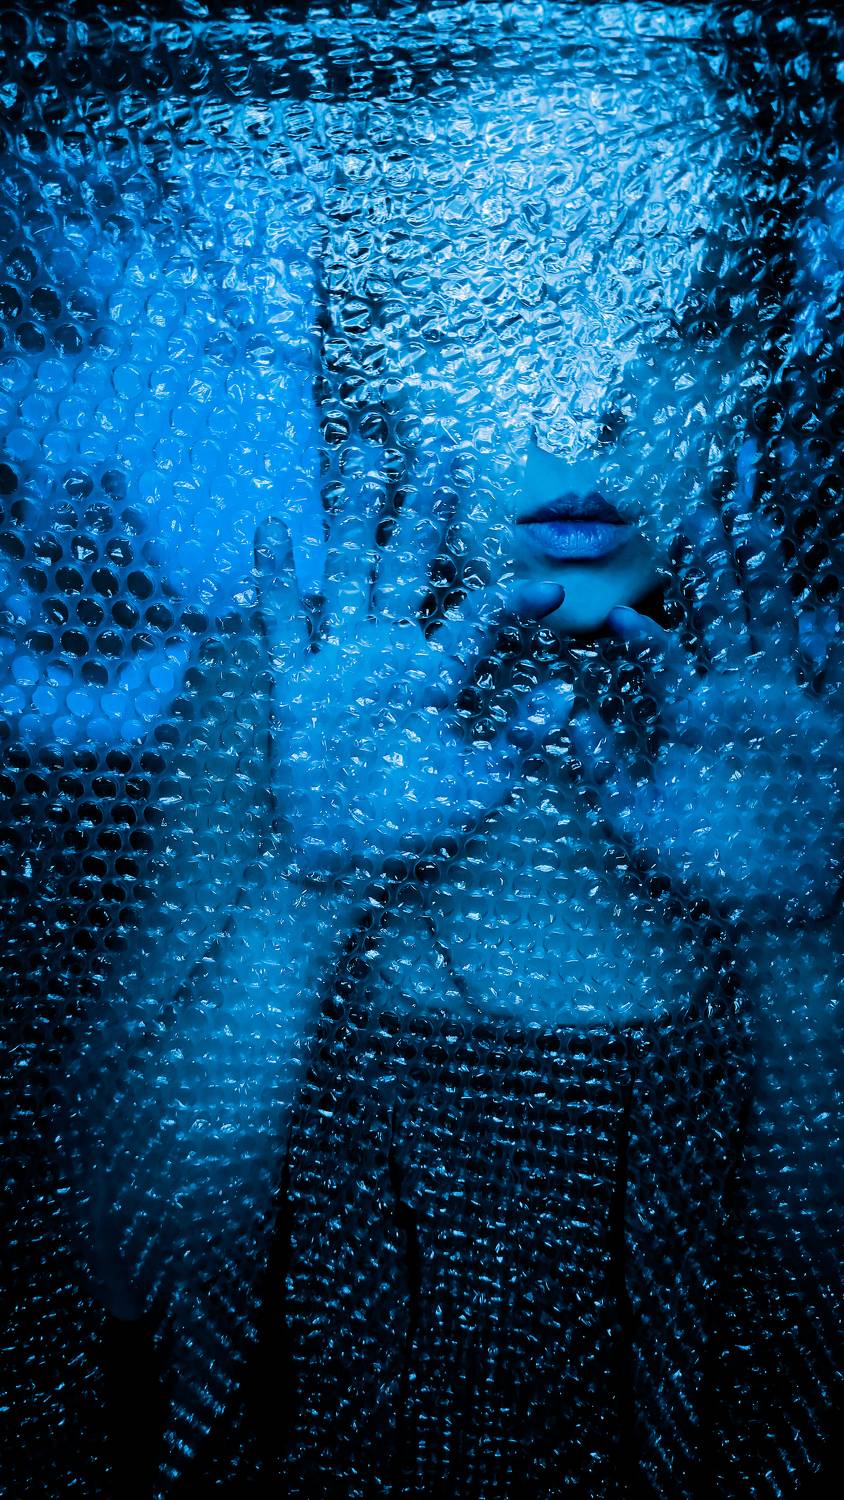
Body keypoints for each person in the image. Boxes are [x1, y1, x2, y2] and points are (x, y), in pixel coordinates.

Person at [2, 2, 841, 1495]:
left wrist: (795, 937)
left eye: (669, 310)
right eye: (511, 301)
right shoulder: (277, 688)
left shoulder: (806, 724)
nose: (588, 402)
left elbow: (802, 1331)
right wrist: (306, 887)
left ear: (748, 365)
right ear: (393, 348)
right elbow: (119, 1268)